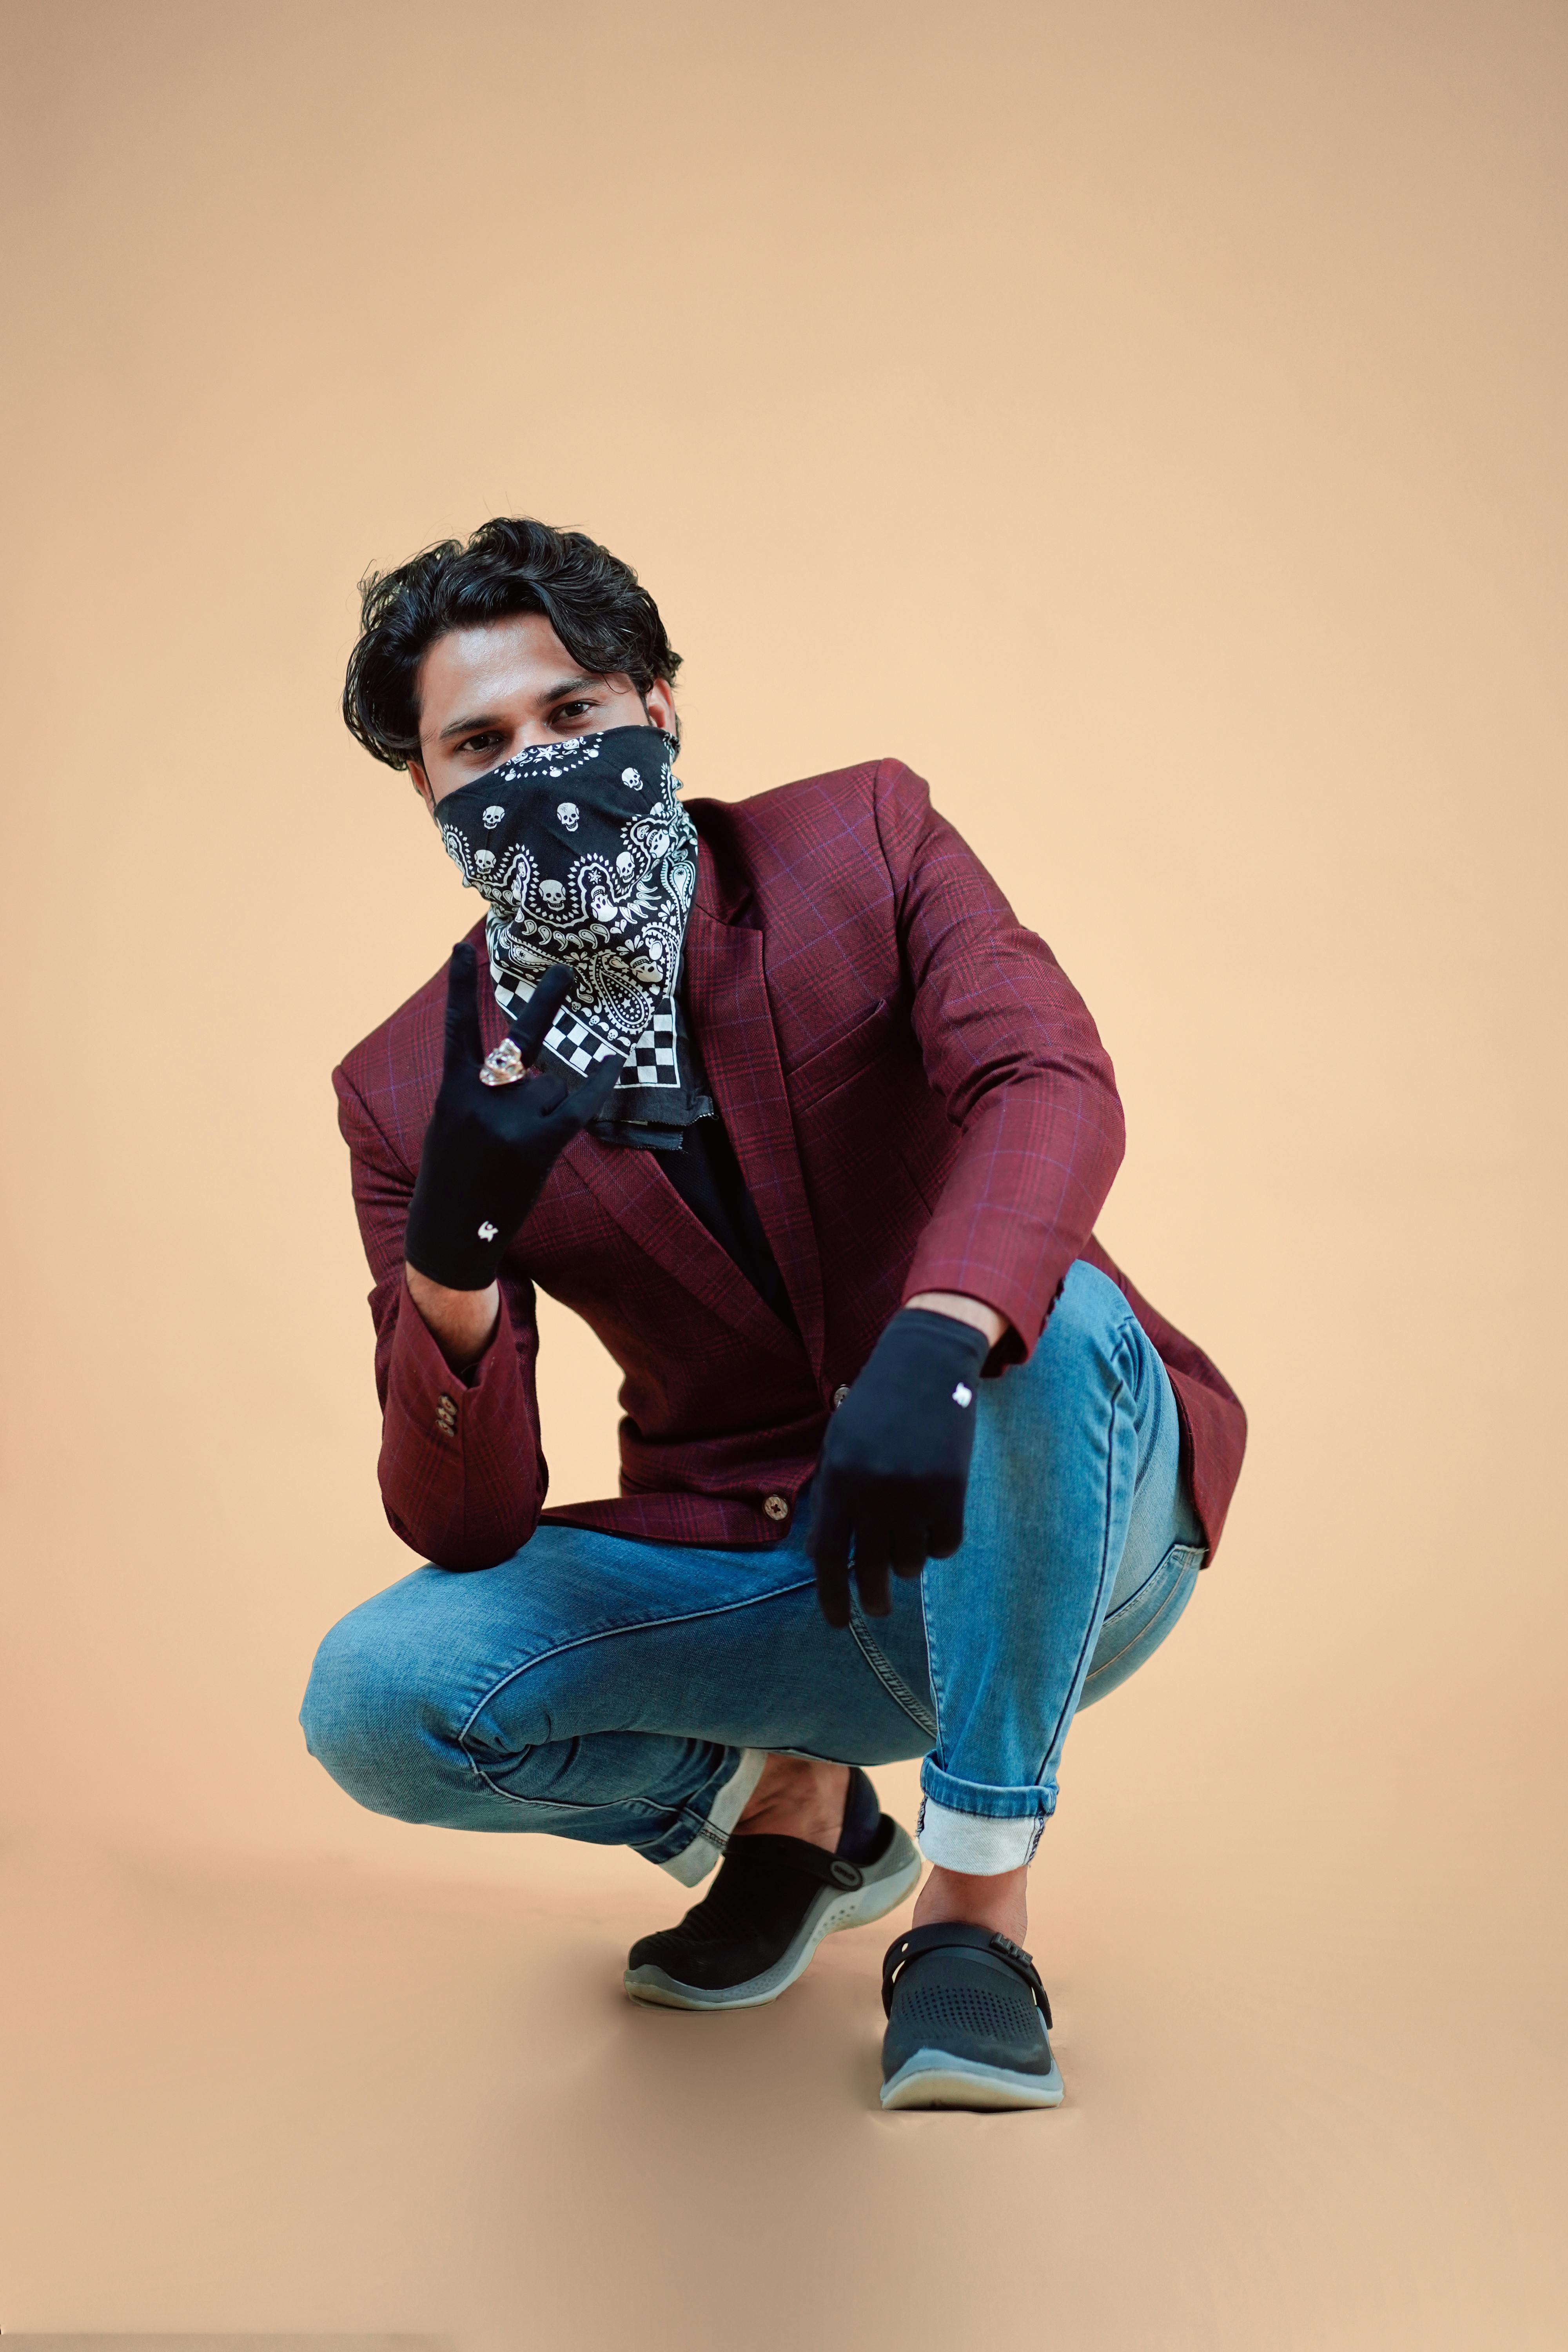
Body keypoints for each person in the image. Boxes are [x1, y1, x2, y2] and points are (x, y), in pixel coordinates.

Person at [301, 516, 1247, 2110]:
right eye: (478, 743)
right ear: (427, 789)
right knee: (378, 1698)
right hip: (771, 1581)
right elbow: (461, 1526)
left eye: (572, 716)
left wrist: (941, 1332)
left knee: (1052, 1317)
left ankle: (970, 1915)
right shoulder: (408, 1088)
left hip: (1055, 1525)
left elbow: (1047, 1078)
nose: (532, 768)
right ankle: (790, 1808)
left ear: (657, 709)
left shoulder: (859, 845)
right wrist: (454, 1256)